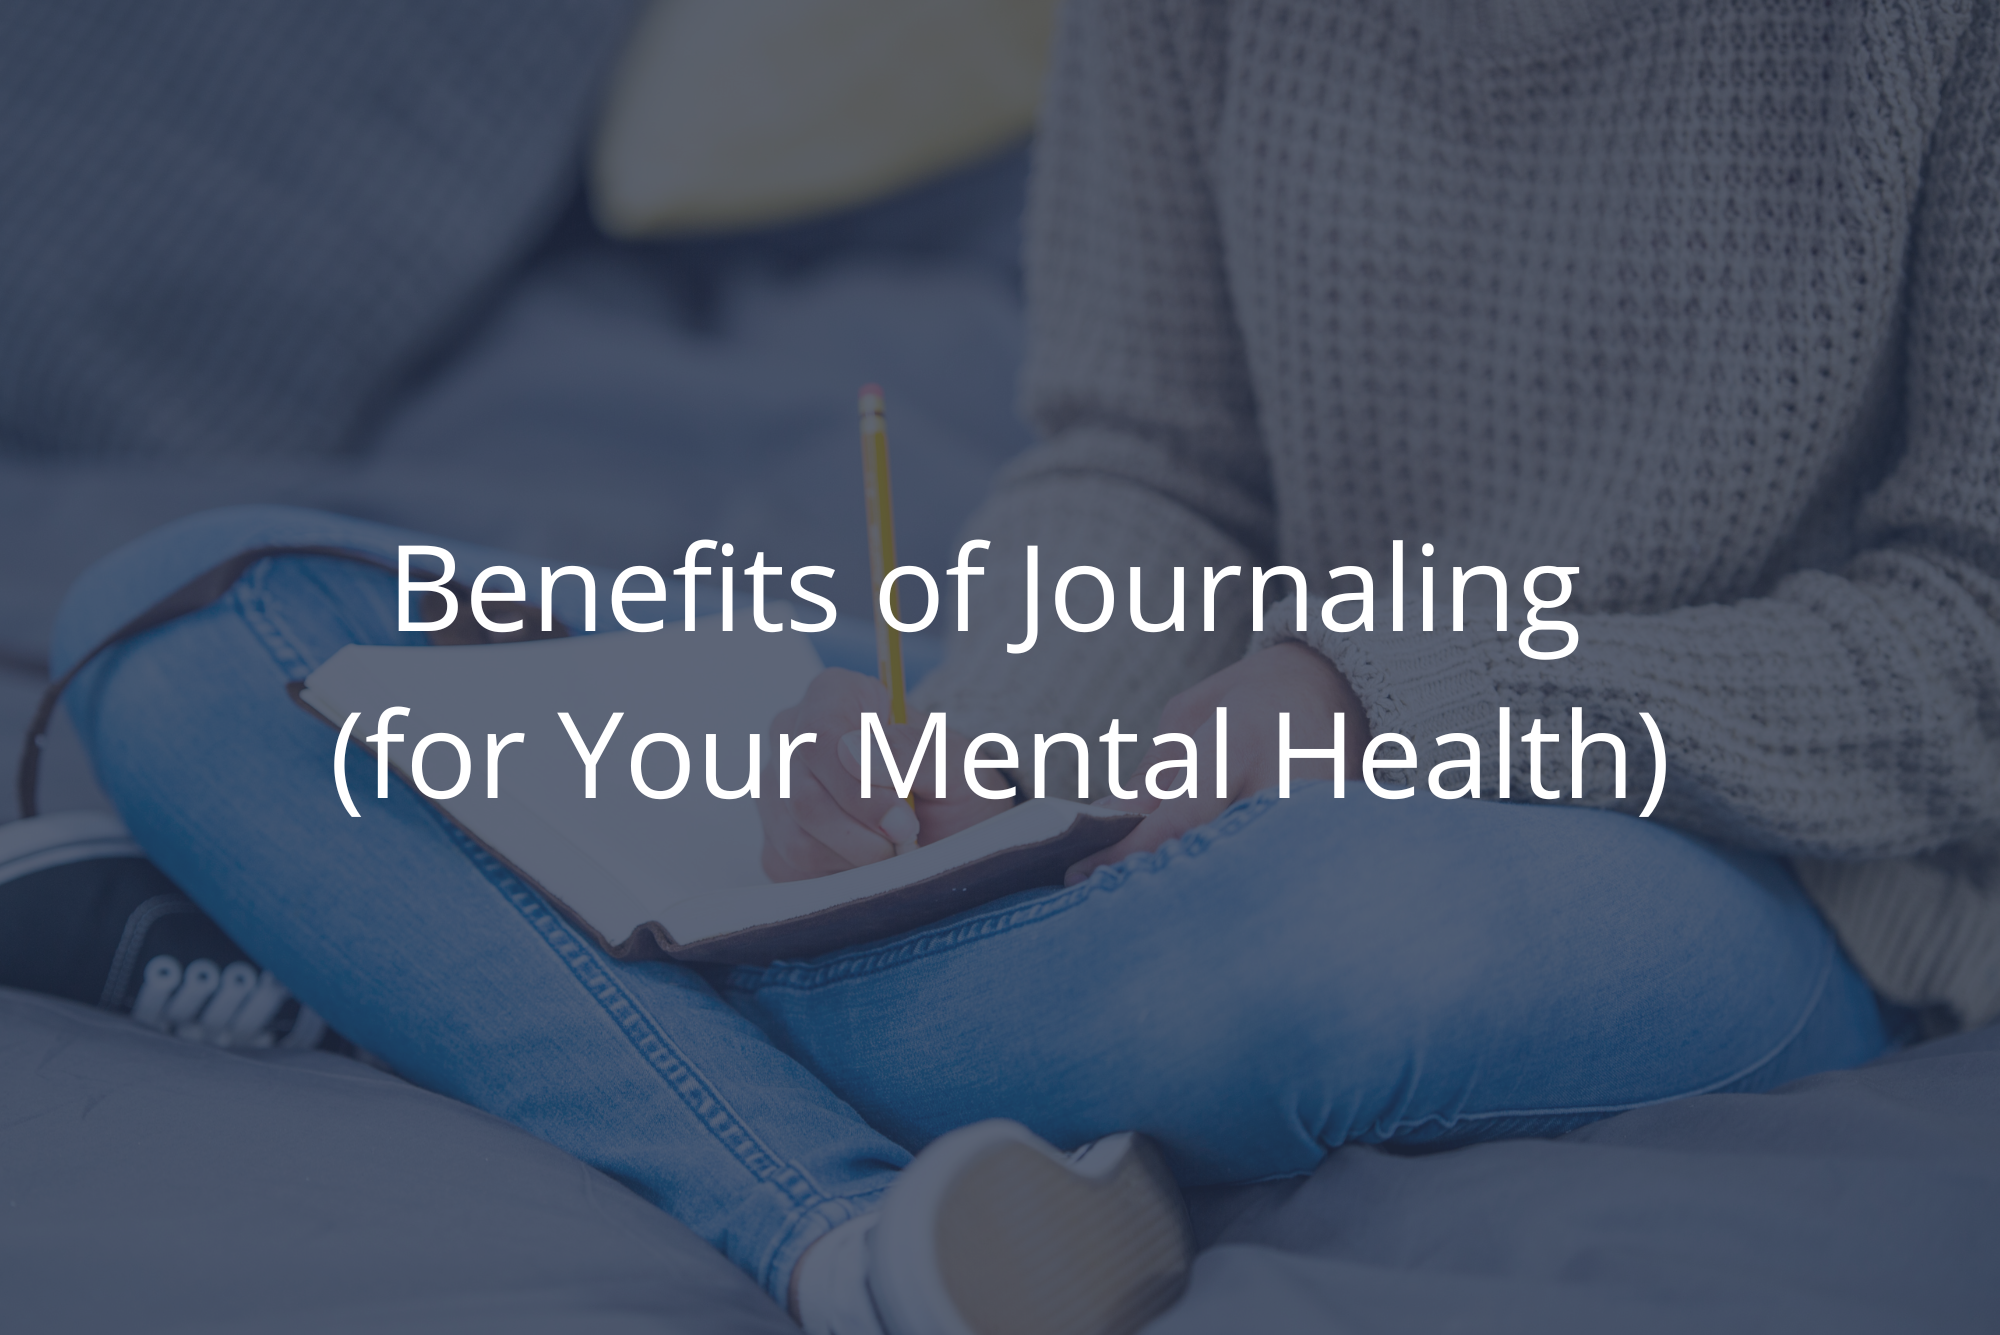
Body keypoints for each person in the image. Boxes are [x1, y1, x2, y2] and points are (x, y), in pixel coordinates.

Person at [14, 3, 2000, 1333]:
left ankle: (406, 973)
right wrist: (961, 720)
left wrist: (1368, 696)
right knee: (194, 629)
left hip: (1727, 836)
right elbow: (1151, 464)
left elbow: (1969, 639)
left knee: (1313, 954)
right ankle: (867, 1235)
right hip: (1187, 759)